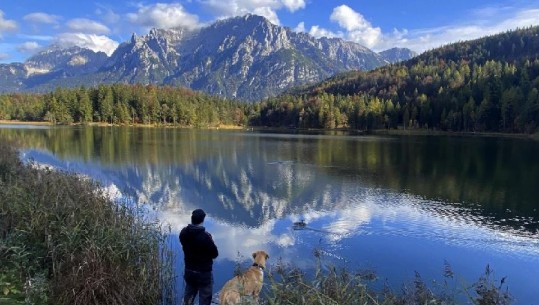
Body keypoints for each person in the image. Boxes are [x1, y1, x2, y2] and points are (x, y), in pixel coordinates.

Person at [179, 209, 219, 305]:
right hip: (203, 273)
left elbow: (184, 243)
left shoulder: (183, 233)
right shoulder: (205, 237)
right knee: (205, 298)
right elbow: (215, 254)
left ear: (192, 219)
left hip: (189, 270)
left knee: (188, 296)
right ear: (203, 220)